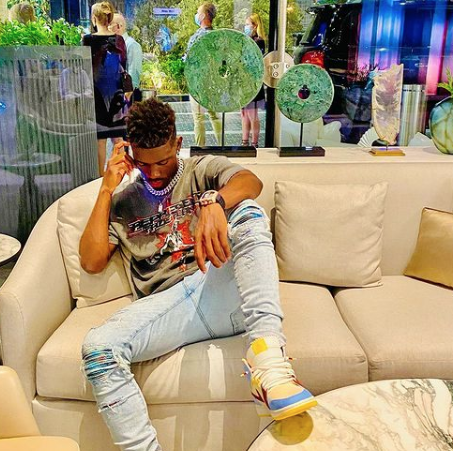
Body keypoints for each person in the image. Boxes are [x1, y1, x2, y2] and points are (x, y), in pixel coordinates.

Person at [79, 98, 317, 451]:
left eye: (163, 161)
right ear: (130, 154)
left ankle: (268, 363)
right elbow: (92, 260)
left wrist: (214, 202)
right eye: (144, 164)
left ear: (177, 143)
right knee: (98, 350)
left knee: (248, 211)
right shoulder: (124, 201)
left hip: (223, 288)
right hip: (172, 310)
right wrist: (106, 188)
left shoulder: (200, 169)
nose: (154, 173)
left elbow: (250, 182)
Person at [82, 1, 128, 176]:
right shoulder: (119, 40)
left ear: (94, 18)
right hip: (117, 94)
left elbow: (84, 68)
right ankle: (120, 174)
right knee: (118, 139)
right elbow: (123, 67)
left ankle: (100, 178)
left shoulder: (87, 40)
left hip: (96, 95)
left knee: (100, 140)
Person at [185, 2, 222, 147]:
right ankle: (222, 145)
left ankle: (200, 149)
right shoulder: (217, 36)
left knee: (198, 117)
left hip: (198, 83)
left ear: (203, 15)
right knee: (215, 116)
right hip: (213, 82)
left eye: (198, 12)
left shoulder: (198, 37)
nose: (196, 15)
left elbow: (190, 59)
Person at [241, 13, 266, 147]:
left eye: (247, 24)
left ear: (255, 26)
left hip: (253, 83)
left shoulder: (258, 41)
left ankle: (254, 143)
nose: (245, 27)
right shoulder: (247, 41)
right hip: (245, 82)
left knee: (252, 114)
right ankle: (244, 142)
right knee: (244, 114)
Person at [110, 13, 142, 101]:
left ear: (118, 26)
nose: (107, 28)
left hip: (127, 98)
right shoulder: (113, 45)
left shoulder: (131, 45)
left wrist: (126, 97)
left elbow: (134, 73)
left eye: (109, 24)